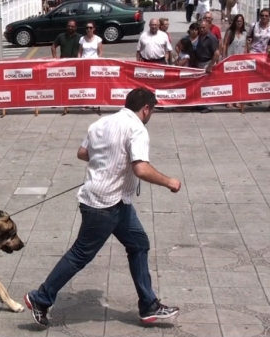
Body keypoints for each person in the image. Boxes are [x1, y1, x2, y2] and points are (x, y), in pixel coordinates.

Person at [24, 87, 181, 327]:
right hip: (104, 206)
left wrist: (106, 160)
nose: (151, 115)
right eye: (152, 110)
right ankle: (40, 298)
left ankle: (148, 306)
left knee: (139, 244)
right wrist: (169, 181)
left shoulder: (101, 123)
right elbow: (141, 168)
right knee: (80, 255)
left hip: (116, 202)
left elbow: (82, 153)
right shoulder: (137, 129)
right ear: (146, 108)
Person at [194, 21, 220, 113]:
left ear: (208, 27)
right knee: (201, 85)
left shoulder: (211, 38)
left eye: (203, 28)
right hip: (200, 63)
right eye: (200, 28)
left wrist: (210, 66)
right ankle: (201, 104)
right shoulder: (200, 36)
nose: (201, 29)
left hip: (207, 63)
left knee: (207, 86)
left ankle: (208, 106)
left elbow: (216, 53)